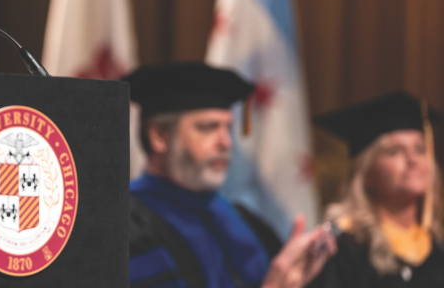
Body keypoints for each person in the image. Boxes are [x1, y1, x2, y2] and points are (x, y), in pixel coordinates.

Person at [124, 62, 337, 288]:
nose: (226, 143)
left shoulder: (244, 220)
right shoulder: (127, 224)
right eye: (208, 127)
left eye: (228, 128)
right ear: (159, 136)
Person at [308, 92, 444, 287]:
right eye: (395, 151)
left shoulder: (437, 254)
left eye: (420, 149)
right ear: (366, 174)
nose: (413, 160)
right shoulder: (342, 249)